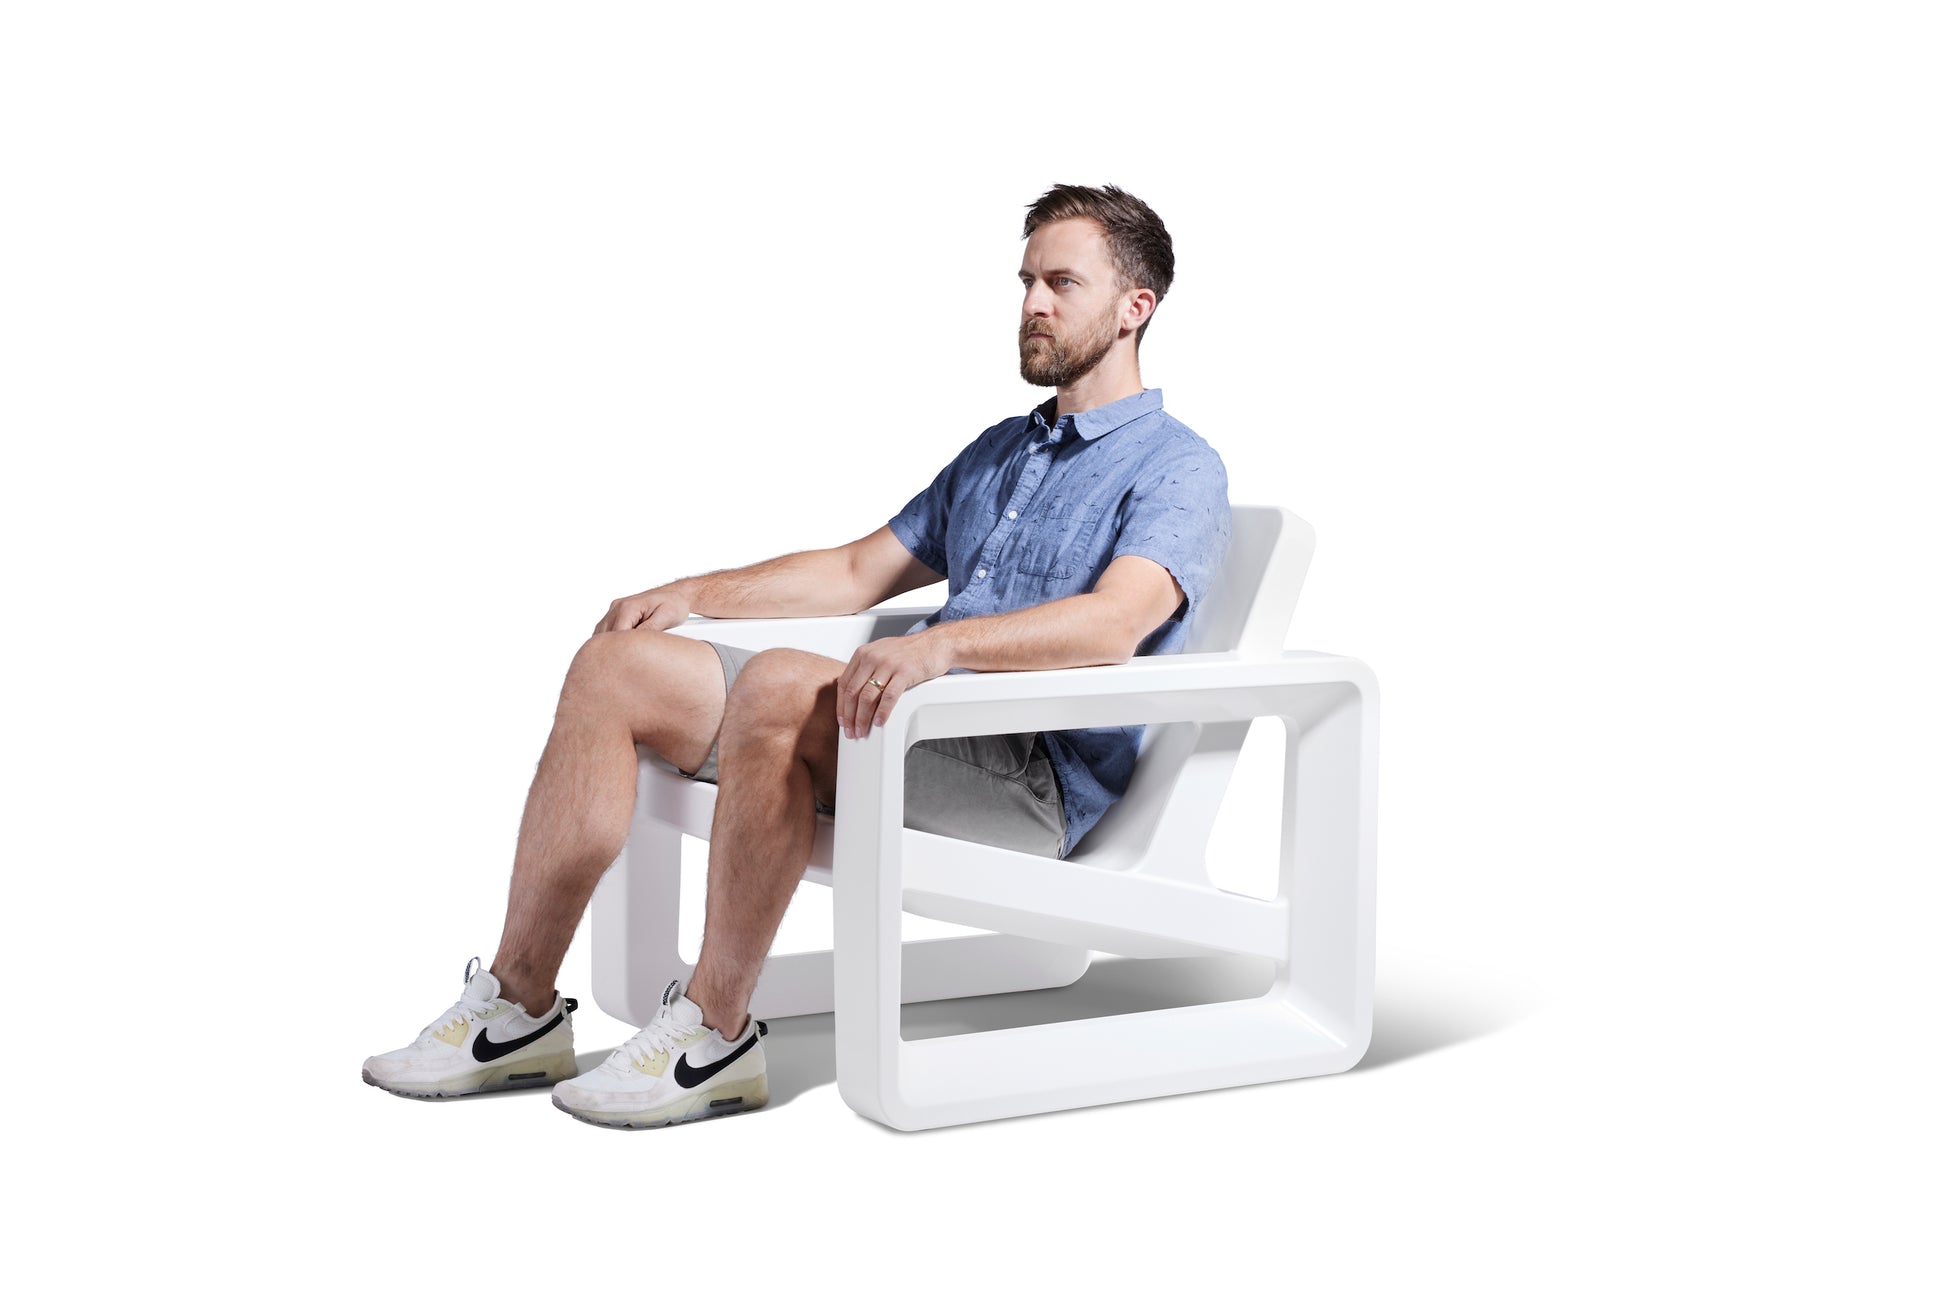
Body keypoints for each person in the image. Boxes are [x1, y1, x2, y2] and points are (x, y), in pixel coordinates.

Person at [362, 183, 1233, 1128]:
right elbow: (859, 570)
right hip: (910, 734)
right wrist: (693, 595)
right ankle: (518, 1009)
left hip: (1030, 783)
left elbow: (1114, 623)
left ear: (1135, 306)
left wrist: (939, 647)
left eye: (1061, 282)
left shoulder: (1177, 465)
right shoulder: (999, 453)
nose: (1032, 303)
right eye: (1025, 281)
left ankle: (715, 1031)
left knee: (781, 681)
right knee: (614, 666)